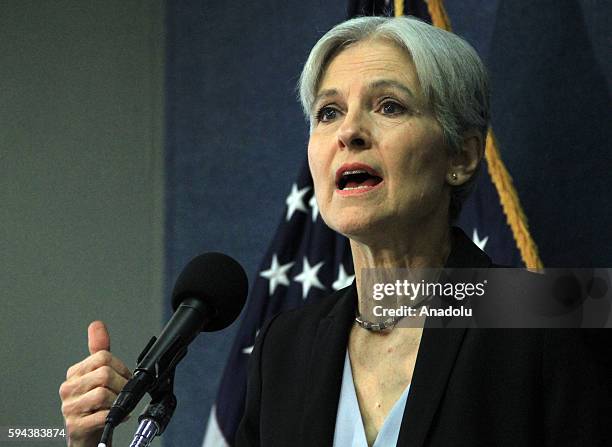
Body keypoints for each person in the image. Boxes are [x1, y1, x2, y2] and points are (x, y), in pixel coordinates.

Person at [59, 16, 611, 447]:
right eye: (328, 113)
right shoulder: (287, 347)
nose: (349, 132)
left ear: (461, 157)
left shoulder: (547, 321)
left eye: (388, 106)